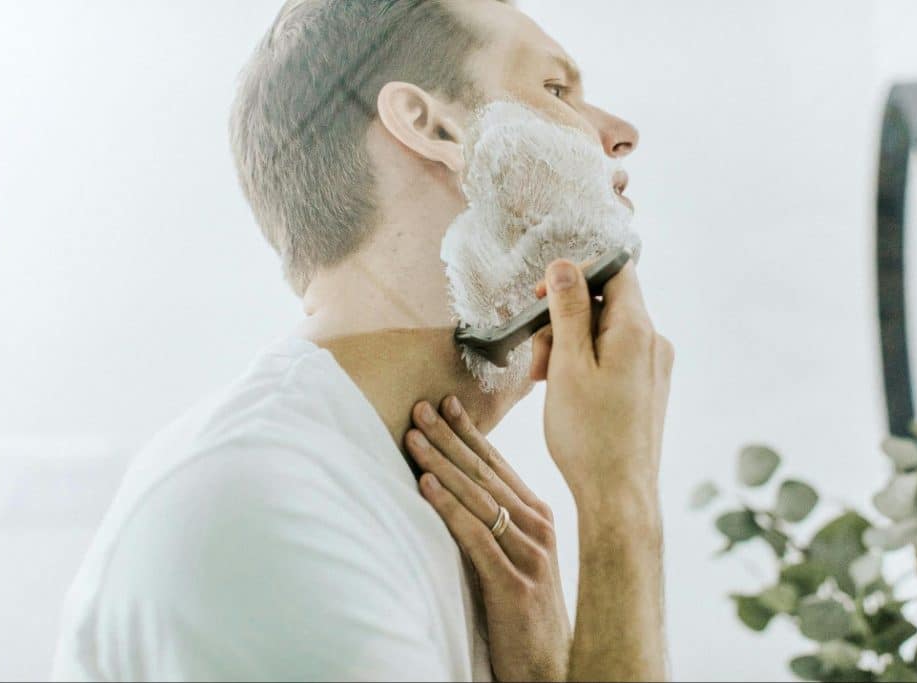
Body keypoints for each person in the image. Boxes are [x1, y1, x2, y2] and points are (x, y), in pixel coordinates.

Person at [52, 1, 674, 681]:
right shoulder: (268, 516)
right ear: (432, 126)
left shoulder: (440, 531)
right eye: (556, 90)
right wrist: (622, 513)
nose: (621, 133)